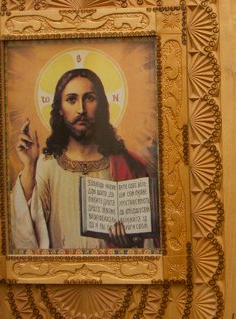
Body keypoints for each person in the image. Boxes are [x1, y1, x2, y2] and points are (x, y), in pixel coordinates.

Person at [10, 68, 154, 250]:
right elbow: (25, 227)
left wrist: (130, 241)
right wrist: (30, 166)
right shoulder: (48, 165)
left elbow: (147, 240)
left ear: (101, 106)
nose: (81, 109)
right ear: (60, 109)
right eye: (71, 99)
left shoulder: (126, 165)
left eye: (89, 98)